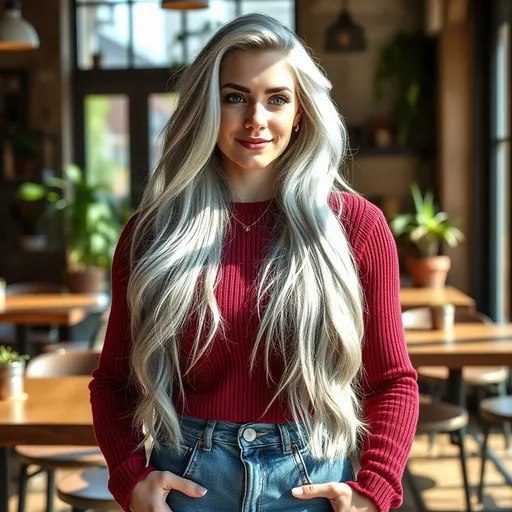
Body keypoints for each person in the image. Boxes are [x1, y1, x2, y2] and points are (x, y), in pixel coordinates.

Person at [89, 13, 419, 512]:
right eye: (235, 96)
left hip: (311, 485)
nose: (256, 119)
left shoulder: (355, 226)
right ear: (207, 107)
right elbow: (113, 384)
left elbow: (393, 381)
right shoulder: (153, 233)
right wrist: (131, 480)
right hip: (189, 483)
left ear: (301, 112)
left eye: (277, 99)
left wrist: (374, 490)